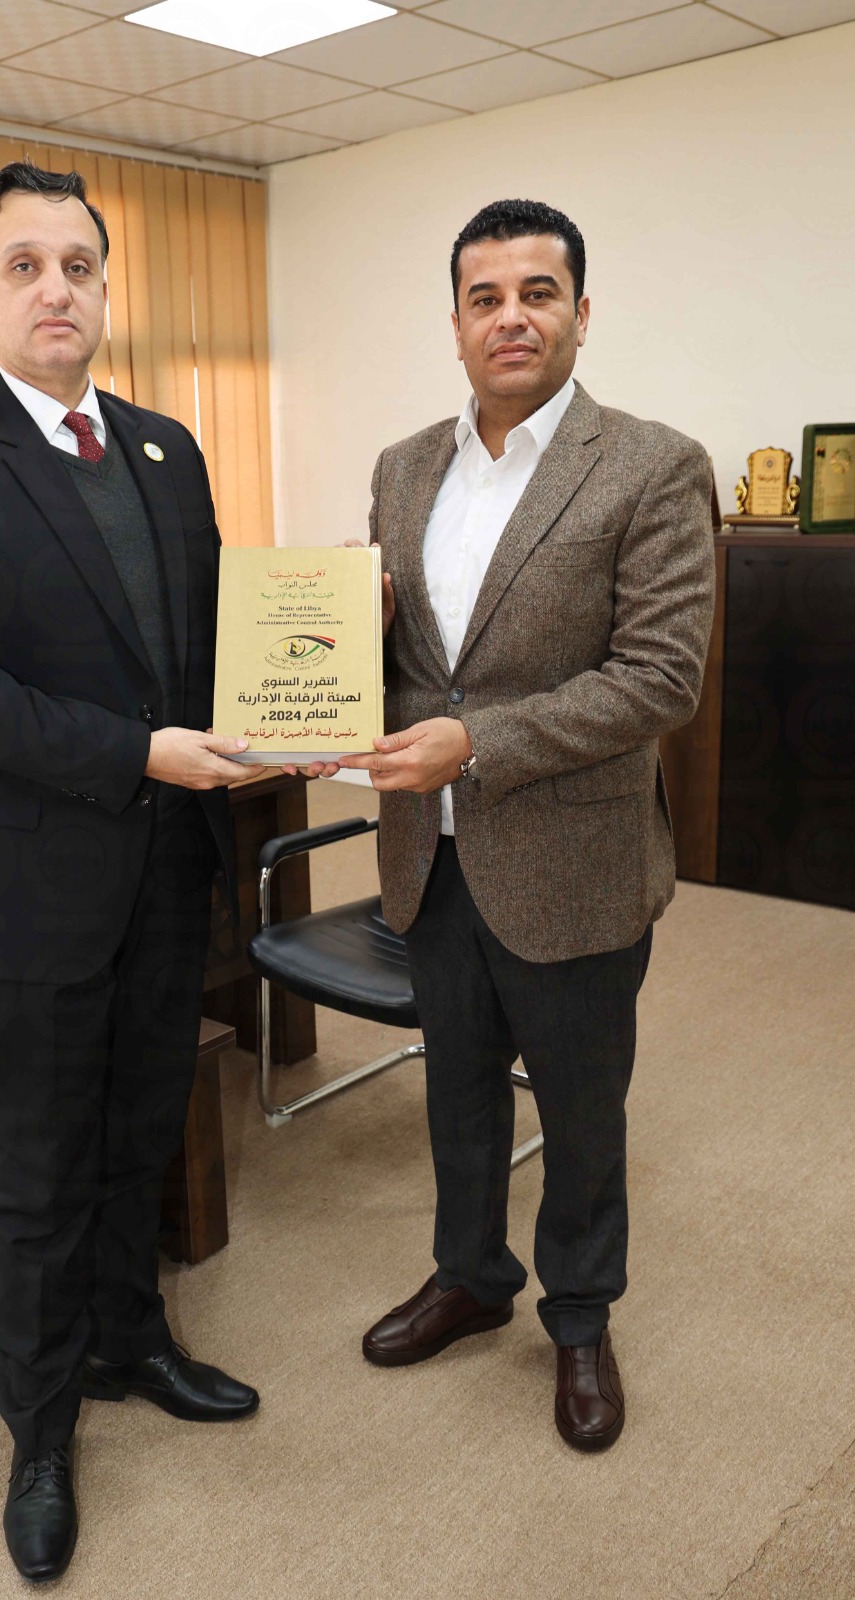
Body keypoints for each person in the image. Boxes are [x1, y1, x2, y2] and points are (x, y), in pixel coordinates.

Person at [0, 160, 262, 1583]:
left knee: (141, 1129)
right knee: (36, 1171)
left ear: (103, 288)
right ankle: (38, 1433)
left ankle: (128, 1341)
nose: (55, 289)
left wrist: (313, 665)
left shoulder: (164, 447)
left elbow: (204, 643)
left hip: (163, 873)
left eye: (77, 265)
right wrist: (139, 750)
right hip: (22, 894)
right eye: (22, 265)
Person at [331, 198, 716, 1450]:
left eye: (536, 293)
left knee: (581, 1107)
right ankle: (469, 1277)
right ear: (454, 324)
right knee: (455, 1091)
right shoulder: (401, 467)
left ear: (579, 314)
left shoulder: (651, 465)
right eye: (484, 297)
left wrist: (476, 742)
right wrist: (336, 654)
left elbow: (658, 678)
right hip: (427, 855)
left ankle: (579, 1315)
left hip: (574, 859)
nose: (510, 317)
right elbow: (405, 664)